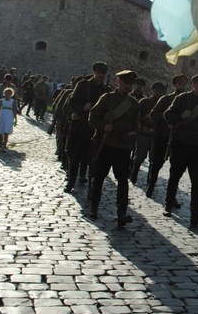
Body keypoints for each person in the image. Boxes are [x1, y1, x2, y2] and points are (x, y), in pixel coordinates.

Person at [88, 70, 139, 226]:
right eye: (125, 83)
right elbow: (93, 117)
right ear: (118, 82)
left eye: (130, 84)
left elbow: (136, 128)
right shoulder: (107, 98)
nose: (128, 87)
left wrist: (129, 136)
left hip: (123, 147)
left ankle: (122, 213)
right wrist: (104, 127)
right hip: (106, 144)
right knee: (99, 177)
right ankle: (94, 208)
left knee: (123, 180)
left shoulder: (134, 103)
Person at [163, 74, 198, 227]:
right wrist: (181, 115)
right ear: (193, 85)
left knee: (197, 181)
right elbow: (168, 115)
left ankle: (196, 214)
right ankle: (168, 204)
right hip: (181, 142)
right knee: (175, 175)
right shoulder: (182, 99)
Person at [64, 62, 110, 193]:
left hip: (95, 128)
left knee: (89, 156)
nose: (101, 75)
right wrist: (82, 107)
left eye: (103, 73)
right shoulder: (83, 85)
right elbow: (71, 102)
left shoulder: (106, 90)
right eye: (99, 72)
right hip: (80, 125)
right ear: (94, 72)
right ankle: (71, 181)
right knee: (74, 156)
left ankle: (85, 177)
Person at [146, 74, 189, 198]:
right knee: (156, 163)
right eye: (179, 83)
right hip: (164, 135)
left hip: (179, 138)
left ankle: (171, 196)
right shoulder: (165, 99)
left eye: (184, 83)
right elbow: (153, 115)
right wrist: (167, 117)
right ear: (175, 84)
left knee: (176, 169)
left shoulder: (188, 101)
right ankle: (150, 186)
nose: (182, 85)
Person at [130, 81, 166, 184]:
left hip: (157, 134)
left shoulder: (163, 104)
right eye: (156, 91)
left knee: (153, 158)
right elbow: (136, 117)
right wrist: (144, 118)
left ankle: (150, 180)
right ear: (152, 91)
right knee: (139, 156)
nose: (157, 93)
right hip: (144, 132)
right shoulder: (144, 102)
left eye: (160, 91)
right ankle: (133, 175)